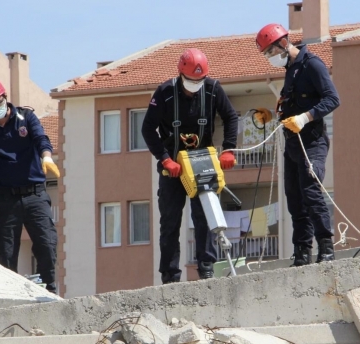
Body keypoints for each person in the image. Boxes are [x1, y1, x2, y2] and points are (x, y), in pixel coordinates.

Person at [141, 48, 239, 283]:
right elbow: (147, 129)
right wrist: (164, 158)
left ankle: (206, 268)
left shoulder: (213, 89)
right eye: (191, 80)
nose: (195, 84)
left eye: (199, 80)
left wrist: (228, 149)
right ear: (181, 74)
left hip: (203, 163)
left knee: (204, 216)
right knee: (170, 221)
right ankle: (170, 275)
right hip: (172, 167)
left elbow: (231, 117)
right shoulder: (165, 93)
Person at [256, 24, 340, 266]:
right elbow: (291, 105)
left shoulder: (312, 64)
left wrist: (305, 117)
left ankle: (325, 246)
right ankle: (302, 251)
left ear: (283, 44)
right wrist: (272, 116)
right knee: (294, 199)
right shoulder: (290, 70)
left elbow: (333, 98)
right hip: (292, 144)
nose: (269, 58)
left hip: (312, 142)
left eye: (270, 52)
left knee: (311, 193)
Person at [0, 77, 60, 293]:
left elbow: (41, 139)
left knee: (47, 243)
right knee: (5, 251)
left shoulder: (26, 117)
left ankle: (49, 288)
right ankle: (9, 293)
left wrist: (46, 157)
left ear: (5, 98)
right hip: (4, 199)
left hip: (34, 194)